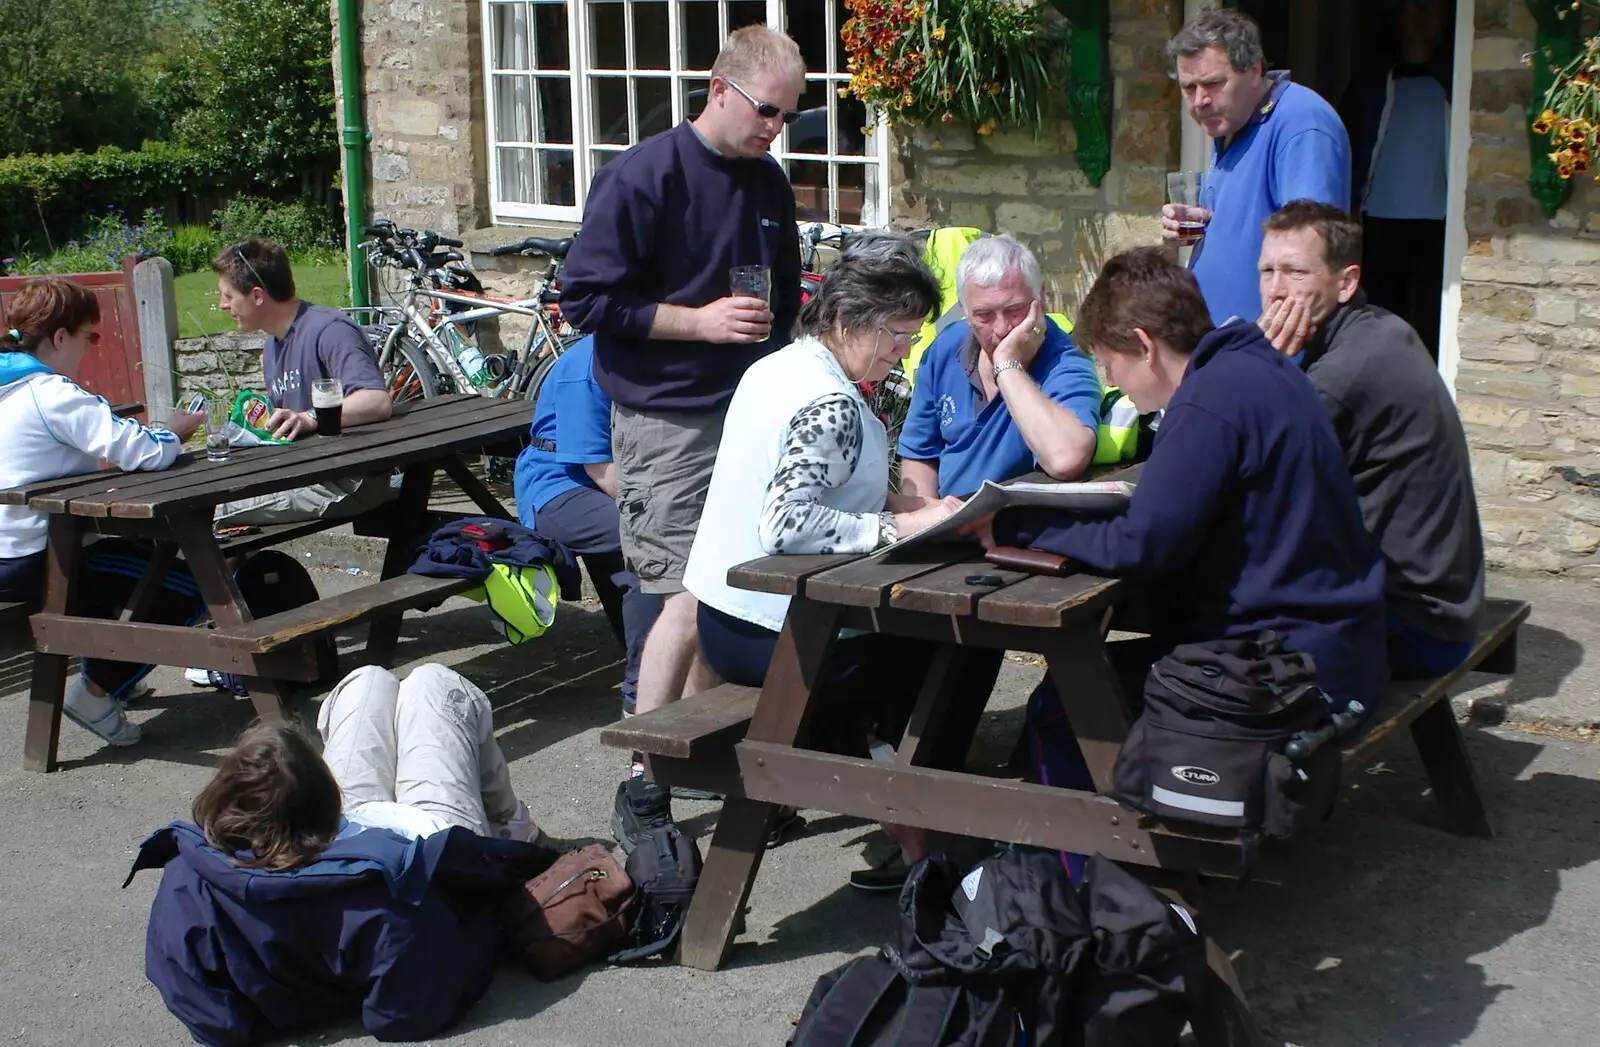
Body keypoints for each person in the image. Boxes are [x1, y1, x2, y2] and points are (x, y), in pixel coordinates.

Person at [681, 233, 979, 891]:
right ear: (847, 322)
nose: (905, 351)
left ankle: (894, 798)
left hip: (724, 619)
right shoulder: (831, 401)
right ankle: (917, 834)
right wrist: (899, 522)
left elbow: (812, 482)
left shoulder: (780, 366)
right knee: (955, 650)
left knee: (921, 652)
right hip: (775, 632)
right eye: (897, 335)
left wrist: (899, 500)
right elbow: (786, 522)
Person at [970, 247, 1387, 716]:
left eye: (1109, 362)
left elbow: (1141, 547)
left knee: (1069, 700)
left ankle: (1117, 793)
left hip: (1290, 667)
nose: (1110, 378)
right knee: (1088, 681)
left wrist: (1014, 526)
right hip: (1341, 641)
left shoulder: (1207, 402)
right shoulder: (1257, 367)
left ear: (1144, 346)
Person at [560, 26, 804, 736]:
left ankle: (702, 749)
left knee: (737, 599)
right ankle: (648, 766)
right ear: (719, 90)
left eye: (789, 115)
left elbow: (784, 306)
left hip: (749, 413)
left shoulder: (769, 181)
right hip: (669, 419)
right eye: (766, 110)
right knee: (685, 598)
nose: (776, 128)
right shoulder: (643, 176)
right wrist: (698, 323)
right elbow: (585, 301)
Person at [131, 664, 552, 1047]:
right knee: (435, 684)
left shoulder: (185, 880)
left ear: (226, 801)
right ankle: (512, 826)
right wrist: (485, 916)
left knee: (368, 680)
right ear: (326, 799)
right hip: (406, 854)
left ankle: (508, 823)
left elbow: (209, 1016)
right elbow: (406, 1015)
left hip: (341, 848)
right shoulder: (383, 905)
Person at [1257, 201, 1484, 678]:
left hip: (1414, 625)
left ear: (1346, 282)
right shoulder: (1379, 329)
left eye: (1296, 272)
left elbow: (1243, 471)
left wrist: (1258, 365)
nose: (1276, 291)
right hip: (1440, 607)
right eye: (1267, 271)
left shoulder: (1346, 371)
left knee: (1208, 616)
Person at [0, 277, 205, 747]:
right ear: (59, 338)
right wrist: (174, 430)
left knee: (134, 560)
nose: (92, 348)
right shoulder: (48, 393)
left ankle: (114, 678)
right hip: (39, 562)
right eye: (88, 336)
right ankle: (95, 692)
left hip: (7, 558)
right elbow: (142, 450)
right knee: (190, 589)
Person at [1162, 9, 1351, 327]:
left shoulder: (1302, 124)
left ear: (1254, 70)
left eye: (1212, 83)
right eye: (1189, 88)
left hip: (1268, 356)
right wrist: (1210, 224)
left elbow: (1309, 255)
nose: (1199, 101)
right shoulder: (1231, 124)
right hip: (1224, 347)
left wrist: (1266, 358)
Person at [513, 335, 662, 717]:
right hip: (559, 488)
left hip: (619, 480)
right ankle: (641, 696)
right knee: (650, 546)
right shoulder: (587, 365)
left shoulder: (663, 353)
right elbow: (601, 471)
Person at [898, 234, 1103, 500]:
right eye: (984, 315)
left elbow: (1066, 459)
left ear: (1040, 297)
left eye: (1015, 309)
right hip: (947, 527)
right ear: (964, 311)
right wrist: (926, 523)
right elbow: (919, 455)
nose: (1002, 328)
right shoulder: (945, 348)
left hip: (1018, 532)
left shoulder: (1066, 359)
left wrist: (1007, 365)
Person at [209, 238, 394, 526]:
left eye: (228, 296)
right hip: (304, 473)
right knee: (212, 499)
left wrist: (310, 418)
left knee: (208, 512)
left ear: (257, 296)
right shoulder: (272, 346)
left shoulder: (330, 330)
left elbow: (376, 401)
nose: (222, 305)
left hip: (346, 481)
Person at [1340, 0, 1452, 356]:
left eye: (1431, 7)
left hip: (1442, 221)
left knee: (1437, 320)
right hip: (1382, 217)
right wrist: (1351, 204)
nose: (1421, 16)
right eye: (1413, 6)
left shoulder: (1457, 78)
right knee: (1384, 316)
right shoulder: (1372, 80)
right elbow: (1350, 144)